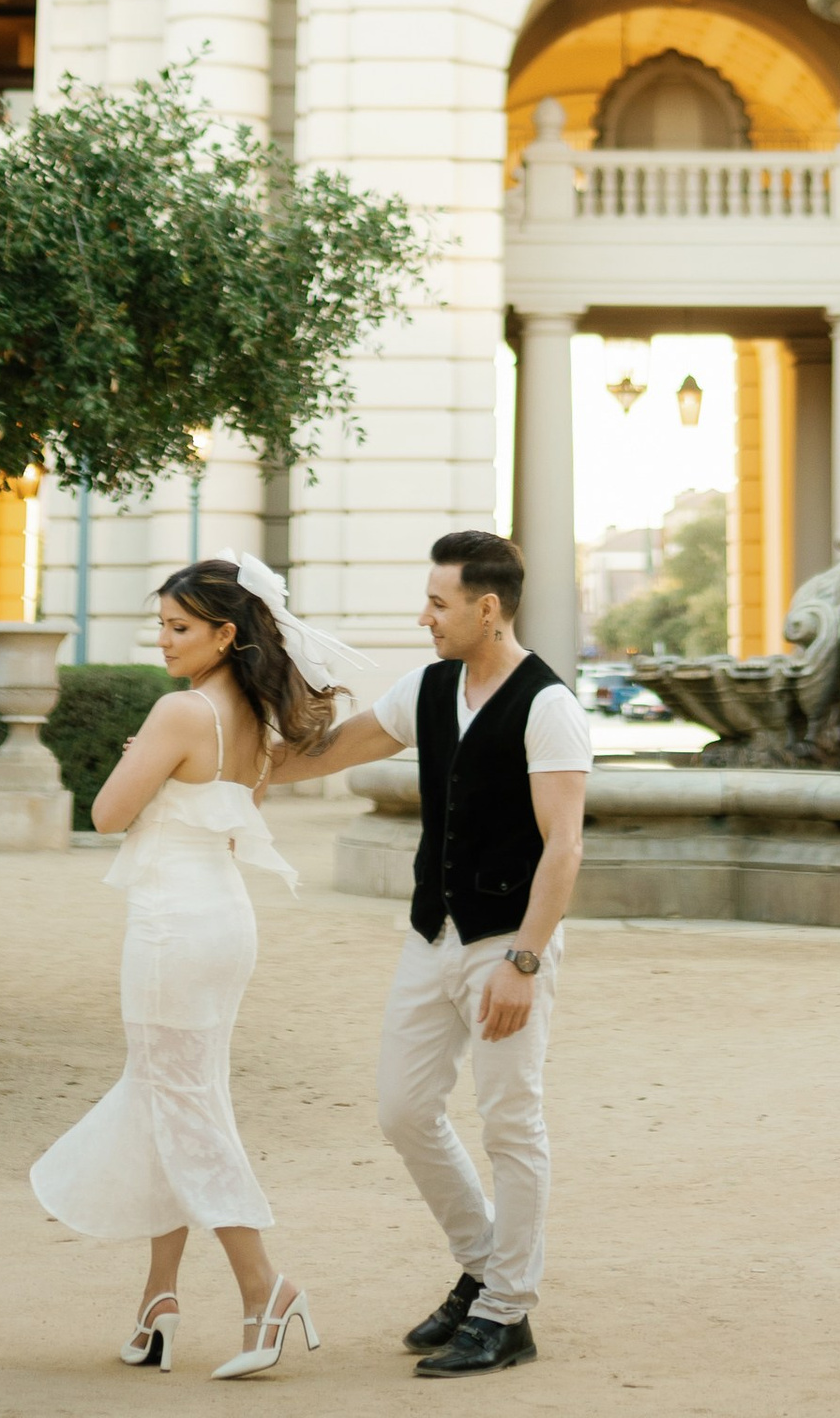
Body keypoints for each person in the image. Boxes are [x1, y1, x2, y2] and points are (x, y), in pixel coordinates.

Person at [32, 551, 375, 1380]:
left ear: (225, 634)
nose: (162, 640)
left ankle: (268, 1289)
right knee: (174, 1100)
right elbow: (224, 803)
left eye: (178, 627)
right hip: (221, 920)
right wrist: (153, 761)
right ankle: (159, 1303)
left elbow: (110, 812)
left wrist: (139, 760)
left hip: (173, 930)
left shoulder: (180, 713)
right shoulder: (254, 718)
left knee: (184, 1108)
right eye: (161, 625)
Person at [277, 529, 589, 1379]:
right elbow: (335, 750)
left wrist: (525, 962)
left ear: (487, 608)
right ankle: (485, 1266)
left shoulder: (547, 705)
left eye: (438, 604)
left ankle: (507, 1311)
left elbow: (564, 847)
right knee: (403, 1111)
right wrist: (215, 764)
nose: (425, 617)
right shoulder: (428, 687)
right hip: (431, 934)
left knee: (511, 1122)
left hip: (504, 944)